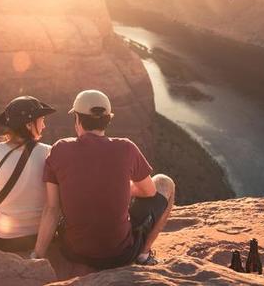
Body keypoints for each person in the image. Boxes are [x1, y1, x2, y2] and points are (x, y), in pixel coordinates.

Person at [32, 90, 175, 267]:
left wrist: (37, 256)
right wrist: (124, 188)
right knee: (164, 182)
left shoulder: (59, 149)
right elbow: (150, 192)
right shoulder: (126, 148)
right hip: (119, 255)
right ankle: (143, 256)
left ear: (77, 119)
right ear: (108, 119)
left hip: (73, 252)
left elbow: (52, 208)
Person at [0, 96, 56, 252]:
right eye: (42, 120)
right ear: (29, 124)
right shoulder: (50, 153)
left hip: (2, 240)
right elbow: (53, 206)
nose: (44, 126)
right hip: (37, 237)